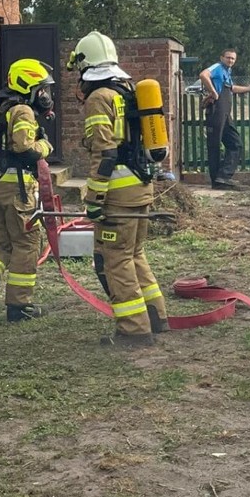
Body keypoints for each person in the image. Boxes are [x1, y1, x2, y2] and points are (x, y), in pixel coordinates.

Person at [67, 31, 168, 348]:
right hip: (141, 185)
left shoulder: (99, 98)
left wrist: (94, 198)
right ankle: (156, 317)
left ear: (86, 65)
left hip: (118, 194)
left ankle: (134, 331)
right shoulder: (126, 90)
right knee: (134, 254)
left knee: (116, 261)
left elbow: (105, 153)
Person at [0, 58, 55, 323]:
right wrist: (45, 146)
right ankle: (19, 306)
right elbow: (23, 148)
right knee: (26, 244)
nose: (44, 95)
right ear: (28, 84)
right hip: (16, 191)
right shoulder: (22, 111)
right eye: (41, 89)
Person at [198, 49, 250, 190]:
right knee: (214, 146)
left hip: (225, 114)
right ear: (222, 57)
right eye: (228, 58)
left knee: (236, 144)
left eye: (233, 59)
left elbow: (232, 88)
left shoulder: (227, 72)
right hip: (216, 111)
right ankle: (217, 181)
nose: (230, 61)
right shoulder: (217, 67)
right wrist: (213, 92)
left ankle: (224, 176)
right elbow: (203, 75)